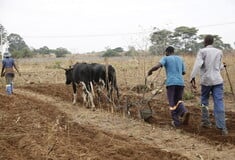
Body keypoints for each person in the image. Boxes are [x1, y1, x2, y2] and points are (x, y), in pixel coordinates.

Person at [190, 35, 228, 135]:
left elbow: (198, 65)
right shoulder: (219, 51)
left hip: (206, 80)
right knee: (219, 102)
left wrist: (192, 77)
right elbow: (219, 67)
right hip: (217, 80)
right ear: (212, 42)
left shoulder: (202, 51)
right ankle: (222, 127)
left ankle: (206, 121)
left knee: (204, 100)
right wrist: (223, 66)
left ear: (205, 41)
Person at [147, 46, 190, 127]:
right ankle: (184, 111)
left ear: (167, 52)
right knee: (179, 100)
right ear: (173, 51)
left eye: (165, 53)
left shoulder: (165, 58)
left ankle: (176, 122)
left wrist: (150, 71)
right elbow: (183, 72)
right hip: (180, 83)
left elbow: (157, 66)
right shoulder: (180, 59)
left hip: (171, 83)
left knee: (172, 103)